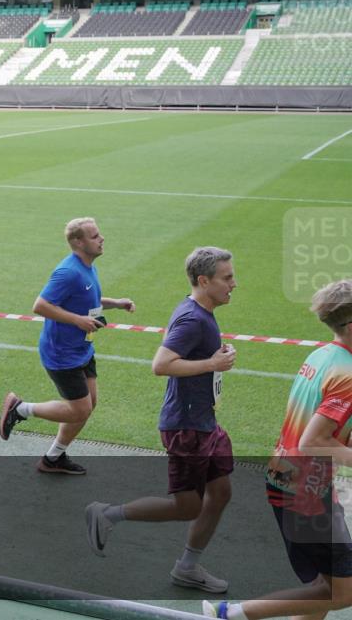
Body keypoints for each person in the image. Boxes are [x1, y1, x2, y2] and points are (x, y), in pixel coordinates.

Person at [85, 247, 237, 593]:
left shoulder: (198, 310)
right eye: (227, 277)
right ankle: (107, 515)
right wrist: (211, 364)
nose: (234, 283)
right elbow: (161, 364)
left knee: (221, 491)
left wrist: (216, 357)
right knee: (187, 506)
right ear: (204, 280)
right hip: (186, 428)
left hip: (204, 423)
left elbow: (186, 353)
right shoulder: (193, 318)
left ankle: (187, 566)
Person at [203, 279, 352, 619]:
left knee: (323, 588)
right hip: (307, 492)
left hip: (289, 482)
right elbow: (312, 441)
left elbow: (324, 428)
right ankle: (230, 613)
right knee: (342, 592)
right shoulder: (347, 374)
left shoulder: (323, 355)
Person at [0, 217, 135, 474]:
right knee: (79, 410)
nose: (101, 238)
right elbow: (40, 305)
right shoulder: (68, 272)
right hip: (62, 354)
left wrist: (116, 303)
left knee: (88, 406)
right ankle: (20, 409)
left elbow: (87, 299)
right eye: (95, 236)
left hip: (82, 349)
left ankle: (53, 458)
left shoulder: (87, 267)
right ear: (78, 242)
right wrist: (78, 321)